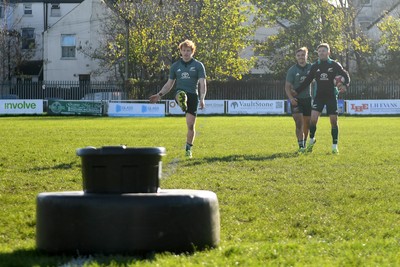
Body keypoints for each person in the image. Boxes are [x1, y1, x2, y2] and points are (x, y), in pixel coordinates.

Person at [149, 39, 207, 158]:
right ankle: (182, 101)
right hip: (179, 92)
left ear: (192, 52)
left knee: (191, 126)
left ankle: (188, 149)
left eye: (188, 51)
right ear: (180, 51)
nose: (186, 53)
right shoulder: (175, 66)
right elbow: (169, 84)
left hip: (193, 96)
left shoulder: (198, 65)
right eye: (184, 50)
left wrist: (202, 98)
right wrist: (159, 95)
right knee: (181, 94)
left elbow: (203, 83)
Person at [292, 43, 350, 154]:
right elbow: (308, 80)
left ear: (328, 52)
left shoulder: (334, 64)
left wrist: (345, 85)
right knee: (313, 120)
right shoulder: (315, 66)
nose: (321, 53)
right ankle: (312, 139)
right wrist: (297, 91)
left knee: (333, 121)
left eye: (323, 51)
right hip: (318, 97)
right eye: (319, 51)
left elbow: (346, 75)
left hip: (331, 96)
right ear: (318, 53)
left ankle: (334, 146)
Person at [285, 47, 312, 153]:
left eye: (303, 55)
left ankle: (305, 142)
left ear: (306, 55)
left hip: (307, 99)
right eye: (298, 55)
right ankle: (301, 146)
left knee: (307, 124)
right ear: (296, 57)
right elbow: (287, 86)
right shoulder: (292, 70)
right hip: (296, 100)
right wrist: (291, 99)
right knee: (299, 123)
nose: (301, 57)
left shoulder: (311, 67)